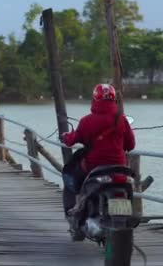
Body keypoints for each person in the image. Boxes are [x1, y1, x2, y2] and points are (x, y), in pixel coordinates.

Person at [60, 84, 135, 222]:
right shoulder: (122, 120)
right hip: (119, 166)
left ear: (94, 99)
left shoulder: (86, 121)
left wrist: (65, 136)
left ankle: (73, 211)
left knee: (70, 177)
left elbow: (72, 140)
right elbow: (131, 145)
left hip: (93, 166)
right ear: (114, 100)